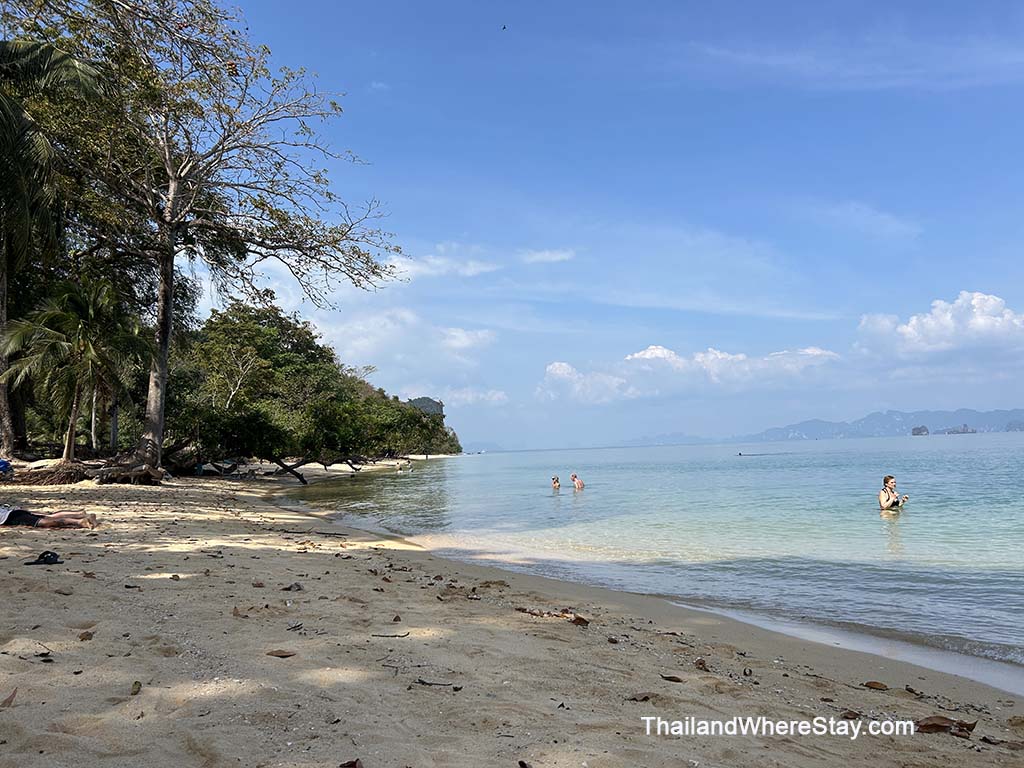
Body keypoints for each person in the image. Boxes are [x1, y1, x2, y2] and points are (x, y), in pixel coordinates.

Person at [0, 505, 98, 529]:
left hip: (11, 516)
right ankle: (80, 514)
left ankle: (79, 522)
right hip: (13, 511)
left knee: (44, 522)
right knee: (49, 516)